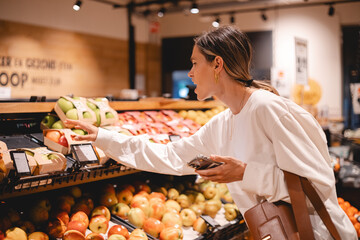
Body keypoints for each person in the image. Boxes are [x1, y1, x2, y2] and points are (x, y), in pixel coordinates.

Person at [65, 25, 357, 239]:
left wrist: (245, 172)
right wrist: (102, 137)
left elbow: (318, 185)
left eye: (194, 63)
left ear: (217, 64)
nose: (190, 73)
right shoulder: (223, 123)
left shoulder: (267, 108)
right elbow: (169, 156)